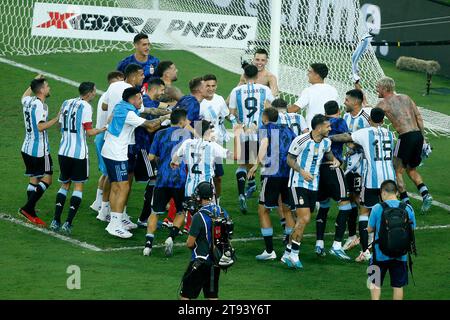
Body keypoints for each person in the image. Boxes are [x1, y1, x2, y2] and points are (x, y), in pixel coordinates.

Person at [330, 108, 396, 262]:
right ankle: (388, 245)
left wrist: (328, 138)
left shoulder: (365, 132)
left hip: (373, 179)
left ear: (370, 119)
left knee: (364, 212)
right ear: (383, 119)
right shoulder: (390, 134)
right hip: (389, 178)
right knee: (388, 212)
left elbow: (346, 137)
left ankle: (366, 251)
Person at [101, 87, 168, 238]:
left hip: (111, 150)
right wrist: (167, 118)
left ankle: (115, 220)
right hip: (116, 153)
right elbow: (151, 126)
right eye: (139, 98)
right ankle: (115, 224)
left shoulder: (123, 105)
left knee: (116, 186)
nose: (141, 101)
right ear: (132, 99)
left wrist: (167, 111)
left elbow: (149, 110)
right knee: (122, 187)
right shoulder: (129, 113)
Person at [283, 114, 340, 269]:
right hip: (298, 183)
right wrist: (301, 171)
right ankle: (294, 255)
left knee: (301, 220)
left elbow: (327, 153)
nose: (330, 128)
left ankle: (287, 253)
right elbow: (289, 159)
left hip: (313, 185)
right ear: (319, 127)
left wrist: (334, 160)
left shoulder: (326, 142)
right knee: (305, 218)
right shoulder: (301, 140)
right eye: (328, 126)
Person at [49, 82, 106, 234]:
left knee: (64, 185)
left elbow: (59, 125)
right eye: (94, 91)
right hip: (79, 153)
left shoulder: (66, 102)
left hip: (63, 151)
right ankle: (68, 223)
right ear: (89, 93)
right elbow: (89, 132)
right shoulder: (86, 107)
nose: (95, 93)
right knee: (78, 186)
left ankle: (55, 220)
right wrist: (104, 128)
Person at [375, 76, 432, 213]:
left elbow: (372, 116)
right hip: (417, 135)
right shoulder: (406, 97)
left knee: (397, 171)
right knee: (411, 169)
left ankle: (406, 202)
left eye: (378, 87)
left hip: (405, 137)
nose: (376, 89)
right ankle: (425, 194)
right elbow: (418, 116)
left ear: (384, 88)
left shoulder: (384, 104)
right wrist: (422, 137)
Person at [97, 63, 144, 226]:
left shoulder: (116, 88)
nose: (143, 77)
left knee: (114, 179)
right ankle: (117, 218)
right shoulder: (132, 100)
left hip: (109, 142)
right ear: (132, 77)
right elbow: (145, 119)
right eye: (141, 74)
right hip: (121, 147)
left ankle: (104, 211)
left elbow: (104, 105)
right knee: (123, 183)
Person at [247, 107, 296, 261]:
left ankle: (269, 251)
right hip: (288, 174)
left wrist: (255, 164)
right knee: (287, 210)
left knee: (263, 210)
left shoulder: (265, 128)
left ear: (265, 117)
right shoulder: (288, 129)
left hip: (272, 173)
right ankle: (289, 249)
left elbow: (264, 144)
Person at [143, 109, 191, 256]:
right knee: (181, 211)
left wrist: (160, 160)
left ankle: (148, 246)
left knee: (155, 212)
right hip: (180, 180)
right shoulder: (187, 135)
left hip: (162, 178)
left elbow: (150, 157)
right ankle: (171, 237)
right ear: (182, 121)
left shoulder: (159, 134)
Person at [229, 64, 275, 213]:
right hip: (261, 131)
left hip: (243, 132)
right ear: (257, 76)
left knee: (242, 165)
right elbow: (272, 111)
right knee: (264, 164)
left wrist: (238, 124)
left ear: (244, 75)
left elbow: (230, 114)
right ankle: (264, 197)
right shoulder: (265, 90)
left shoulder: (236, 91)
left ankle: (242, 193)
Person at [180, 181, 232, 300]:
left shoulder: (199, 216)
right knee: (212, 297)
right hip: (216, 262)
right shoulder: (222, 211)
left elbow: (190, 243)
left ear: (199, 197)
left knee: (185, 297)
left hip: (199, 262)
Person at [19, 76, 59, 226]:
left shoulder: (28, 101)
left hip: (26, 148)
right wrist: (56, 118)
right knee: (47, 179)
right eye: (47, 86)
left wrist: (33, 82)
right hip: (40, 150)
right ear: (41, 90)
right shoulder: (40, 106)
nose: (49, 88)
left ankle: (31, 210)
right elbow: (40, 127)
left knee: (34, 178)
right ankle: (27, 208)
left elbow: (24, 96)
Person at [315, 101, 352, 260]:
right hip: (332, 167)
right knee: (345, 205)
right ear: (338, 110)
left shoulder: (319, 125)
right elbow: (347, 138)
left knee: (323, 206)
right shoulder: (339, 122)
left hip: (319, 170)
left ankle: (319, 243)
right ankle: (337, 245)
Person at [367, 180, 416, 300]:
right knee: (398, 286)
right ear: (397, 192)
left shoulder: (377, 208)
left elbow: (369, 229)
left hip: (379, 254)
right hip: (401, 254)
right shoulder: (408, 208)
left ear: (383, 193)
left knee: (374, 283)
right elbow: (412, 229)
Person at [135, 78, 171, 228]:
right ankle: (144, 218)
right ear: (154, 89)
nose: (163, 93)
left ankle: (147, 216)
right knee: (153, 181)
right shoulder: (145, 103)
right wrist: (166, 120)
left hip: (149, 147)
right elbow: (150, 127)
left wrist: (170, 109)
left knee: (154, 180)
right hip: (143, 146)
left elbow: (161, 106)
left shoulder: (149, 101)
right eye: (162, 90)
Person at [171, 120, 231, 205]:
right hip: (206, 189)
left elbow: (176, 155)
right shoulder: (212, 146)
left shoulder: (187, 143)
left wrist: (173, 162)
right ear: (207, 131)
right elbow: (233, 156)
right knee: (208, 215)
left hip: (190, 189)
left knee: (193, 215)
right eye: (211, 130)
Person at [90, 71, 124, 213]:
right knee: (109, 174)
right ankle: (103, 205)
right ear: (113, 81)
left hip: (100, 136)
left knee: (105, 173)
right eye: (120, 80)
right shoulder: (112, 97)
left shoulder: (106, 96)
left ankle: (98, 202)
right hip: (104, 136)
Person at [342, 88, 371, 251]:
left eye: (347, 100)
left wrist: (356, 145)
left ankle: (368, 237)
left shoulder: (366, 118)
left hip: (363, 166)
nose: (344, 102)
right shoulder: (345, 116)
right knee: (350, 198)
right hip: (349, 164)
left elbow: (373, 136)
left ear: (356, 102)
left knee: (362, 200)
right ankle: (352, 236)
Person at [200, 74, 230, 204]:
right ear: (203, 86)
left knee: (218, 177)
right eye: (208, 86)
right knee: (202, 175)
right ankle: (200, 199)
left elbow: (226, 116)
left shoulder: (219, 99)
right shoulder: (199, 101)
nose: (211, 88)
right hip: (201, 144)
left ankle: (217, 200)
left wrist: (239, 123)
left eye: (213, 86)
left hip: (216, 144)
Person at [288, 63, 338, 129]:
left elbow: (294, 109)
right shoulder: (333, 90)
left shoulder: (309, 90)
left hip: (313, 132)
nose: (307, 74)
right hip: (330, 130)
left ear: (317, 75)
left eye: (310, 72)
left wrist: (280, 110)